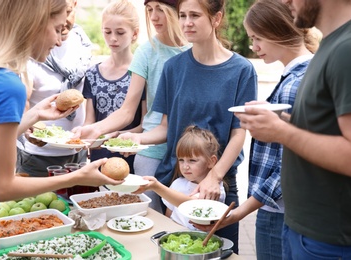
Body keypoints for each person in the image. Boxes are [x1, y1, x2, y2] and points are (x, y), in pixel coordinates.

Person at [0, 0, 122, 258]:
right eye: (57, 28)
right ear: (35, 23)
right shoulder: (7, 85)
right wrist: (78, 177)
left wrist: (34, 116)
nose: (59, 41)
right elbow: (2, 188)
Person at [119, 0, 258, 253]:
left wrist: (214, 178)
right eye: (183, 15)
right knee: (174, 251)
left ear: (216, 19)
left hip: (220, 185)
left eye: (195, 15)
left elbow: (239, 133)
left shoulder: (242, 70)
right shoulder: (174, 68)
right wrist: (135, 139)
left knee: (222, 254)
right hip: (178, 179)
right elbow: (165, 128)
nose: (186, 23)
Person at [235, 0, 351, 258]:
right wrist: (281, 122)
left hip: (328, 240)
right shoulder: (333, 44)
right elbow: (324, 133)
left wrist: (280, 131)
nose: (284, 2)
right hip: (304, 232)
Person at [193, 1, 318, 259]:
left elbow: (288, 163)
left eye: (257, 37)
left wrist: (242, 211)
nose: (254, 46)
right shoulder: (299, 75)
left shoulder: (296, 82)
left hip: (278, 211)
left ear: (277, 30)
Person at [73, 0, 190, 213]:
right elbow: (128, 110)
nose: (154, 17)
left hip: (191, 150)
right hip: (151, 150)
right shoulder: (146, 52)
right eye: (150, 10)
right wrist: (96, 129)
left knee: (184, 219)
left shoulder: (193, 50)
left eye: (161, 10)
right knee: (148, 215)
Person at [16, 0, 92, 178]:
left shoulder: (82, 43)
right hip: (39, 154)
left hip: (76, 150)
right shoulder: (35, 47)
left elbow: (87, 94)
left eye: (69, 11)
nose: (65, 21)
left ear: (75, 4)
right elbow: (24, 98)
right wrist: (29, 129)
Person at [83, 0, 144, 174]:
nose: (113, 38)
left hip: (130, 154)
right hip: (99, 155)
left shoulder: (140, 73)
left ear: (135, 34)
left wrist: (116, 136)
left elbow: (144, 124)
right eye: (107, 32)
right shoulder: (93, 73)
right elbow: (90, 120)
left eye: (120, 32)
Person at [136, 125, 226, 230]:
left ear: (211, 161)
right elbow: (168, 216)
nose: (185, 166)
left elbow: (191, 205)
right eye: (181, 160)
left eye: (192, 160)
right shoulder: (177, 183)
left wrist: (156, 187)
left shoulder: (214, 189)